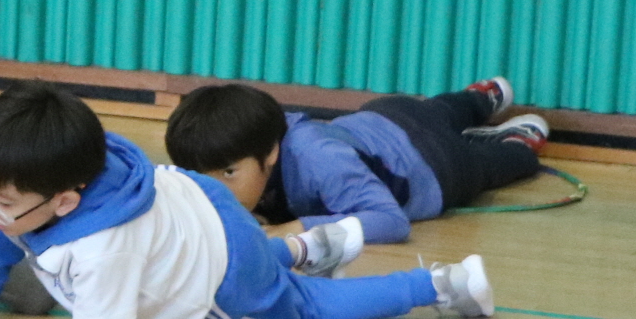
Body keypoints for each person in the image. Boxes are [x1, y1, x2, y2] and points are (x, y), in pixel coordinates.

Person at [0, 84, 492, 319]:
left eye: (1, 200)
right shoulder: (70, 171)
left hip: (227, 274)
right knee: (271, 269)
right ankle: (302, 248)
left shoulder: (102, 252)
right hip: (202, 208)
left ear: (65, 201)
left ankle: (443, 285)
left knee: (310, 304)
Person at [165, 75, 548, 248]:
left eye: (229, 172)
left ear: (270, 152)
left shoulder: (318, 160)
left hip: (440, 168)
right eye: (199, 175)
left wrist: (296, 228)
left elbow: (391, 222)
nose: (214, 187)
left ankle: (513, 140)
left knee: (491, 162)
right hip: (387, 115)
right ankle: (478, 101)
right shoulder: (260, 138)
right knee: (439, 109)